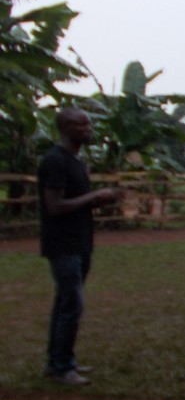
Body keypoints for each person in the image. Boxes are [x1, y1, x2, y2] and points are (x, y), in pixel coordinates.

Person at [38, 107, 123, 385]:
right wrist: (94, 195)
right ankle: (63, 367)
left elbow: (77, 202)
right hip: (62, 244)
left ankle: (58, 362)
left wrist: (101, 199)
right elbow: (54, 206)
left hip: (80, 241)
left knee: (65, 302)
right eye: (80, 124)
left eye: (88, 124)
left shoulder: (76, 162)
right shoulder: (55, 161)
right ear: (65, 128)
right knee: (72, 304)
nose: (88, 129)